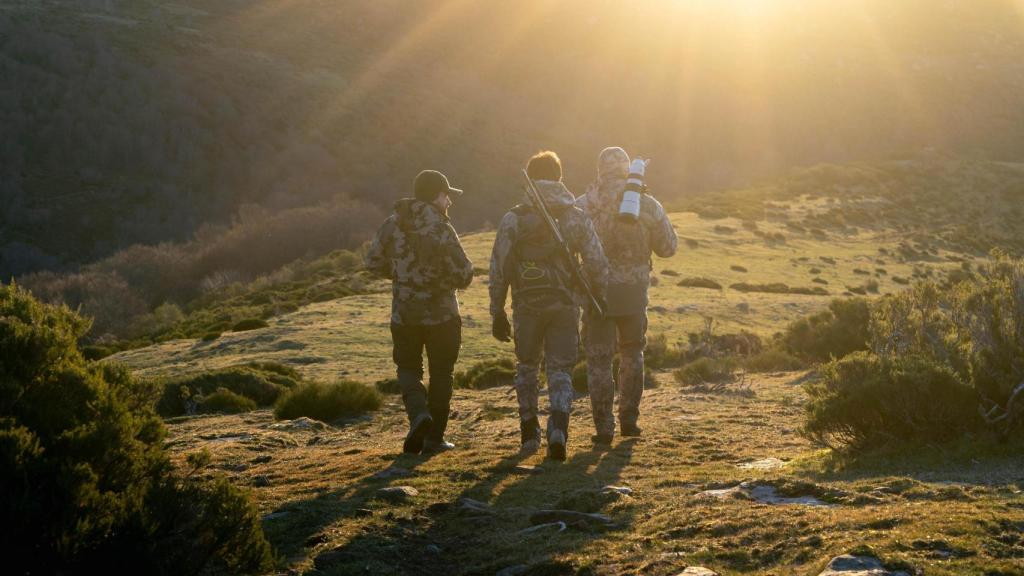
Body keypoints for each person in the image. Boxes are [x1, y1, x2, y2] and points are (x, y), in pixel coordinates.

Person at [489, 151, 608, 460]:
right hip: (565, 303)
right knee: (560, 369)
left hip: (526, 304)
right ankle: (559, 427)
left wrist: (497, 311)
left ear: (530, 178)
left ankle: (529, 432)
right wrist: (597, 294)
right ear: (559, 177)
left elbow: (499, 267)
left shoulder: (514, 218)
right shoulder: (576, 216)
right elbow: (596, 261)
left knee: (527, 367)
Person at [364, 170, 474, 454]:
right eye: (446, 195)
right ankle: (434, 438)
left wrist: (402, 276)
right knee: (442, 373)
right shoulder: (442, 227)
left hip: (404, 313)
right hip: (443, 316)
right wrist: (441, 280)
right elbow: (464, 273)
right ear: (436, 196)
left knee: (407, 369)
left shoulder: (392, 223)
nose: (449, 201)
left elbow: (372, 261)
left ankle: (418, 416)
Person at [576, 147, 678, 444]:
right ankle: (629, 421)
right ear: (627, 169)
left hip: (596, 293)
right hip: (633, 292)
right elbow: (668, 248)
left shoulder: (583, 204)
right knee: (633, 354)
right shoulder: (646, 203)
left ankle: (603, 427)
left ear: (600, 170)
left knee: (598, 360)